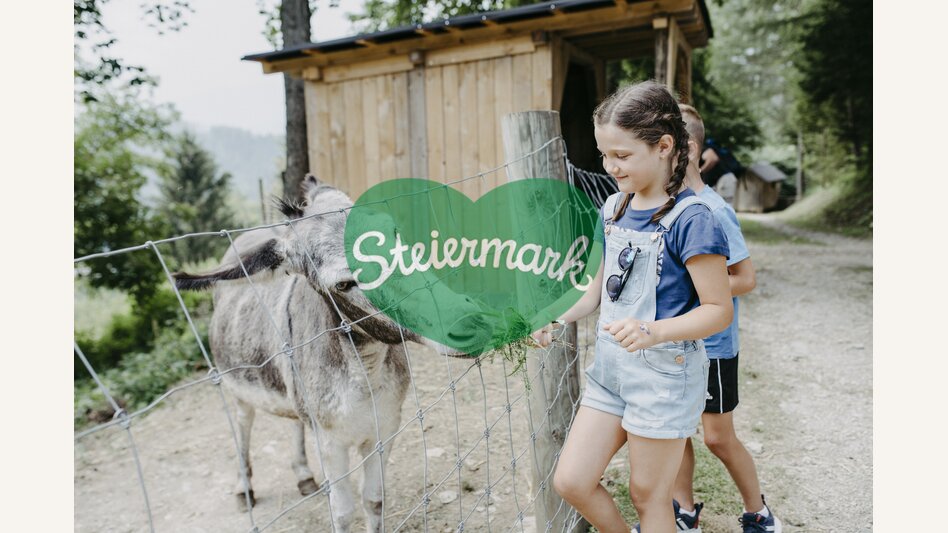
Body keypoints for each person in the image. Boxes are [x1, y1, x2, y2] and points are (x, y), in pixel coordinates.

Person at [531, 80, 733, 533]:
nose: (610, 166)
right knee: (572, 480)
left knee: (648, 497)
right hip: (611, 373)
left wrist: (655, 331)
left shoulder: (694, 219)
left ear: (664, 146)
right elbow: (593, 290)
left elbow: (719, 309)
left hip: (663, 377)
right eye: (605, 155)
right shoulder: (613, 208)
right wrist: (554, 317)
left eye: (622, 156)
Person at [670, 104, 782, 533]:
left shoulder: (714, 210)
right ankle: (683, 511)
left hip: (713, 345)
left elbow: (745, 278)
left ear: (689, 149)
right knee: (676, 431)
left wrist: (698, 287)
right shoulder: (669, 208)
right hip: (676, 342)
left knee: (717, 437)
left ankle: (759, 512)